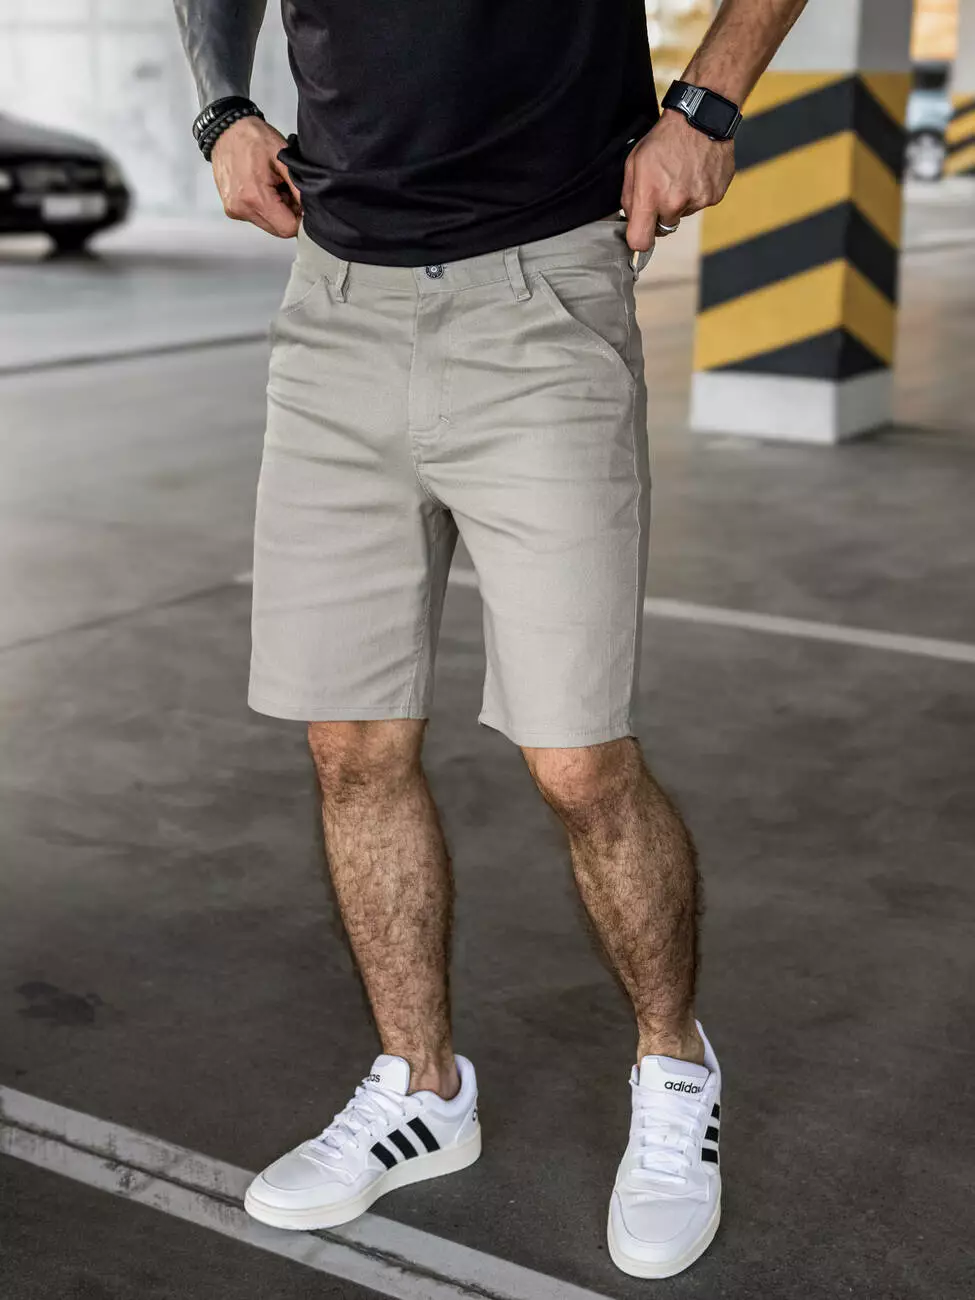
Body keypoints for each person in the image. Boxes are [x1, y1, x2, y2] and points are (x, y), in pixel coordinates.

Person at [173, 0, 807, 1278]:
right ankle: (423, 1088)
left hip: (542, 295)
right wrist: (223, 108)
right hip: (336, 302)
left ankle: (676, 1067)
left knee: (578, 761)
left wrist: (706, 104)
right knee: (351, 747)